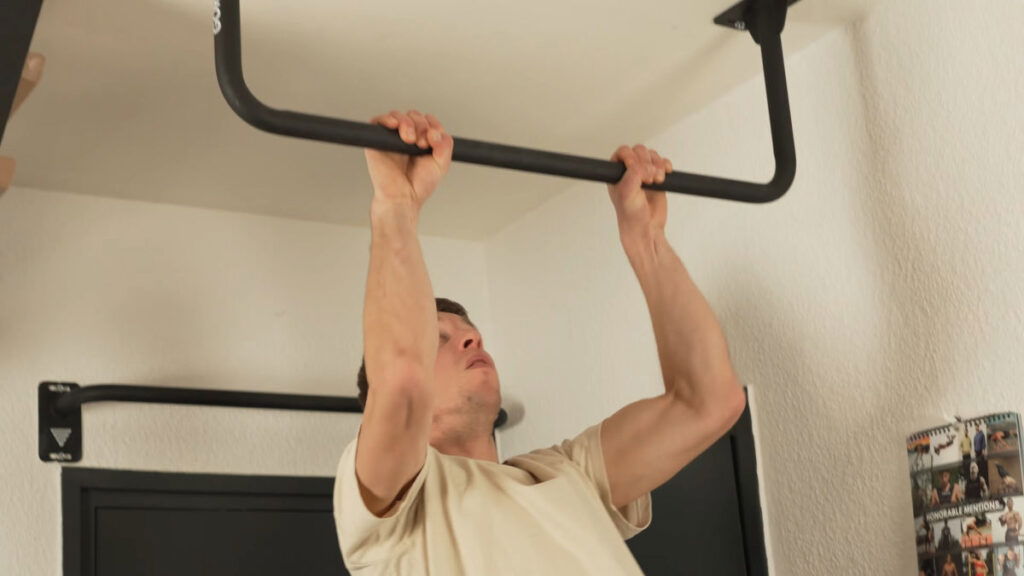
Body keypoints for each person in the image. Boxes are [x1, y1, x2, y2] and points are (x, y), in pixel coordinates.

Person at [332, 111, 746, 575]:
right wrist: (396, 205)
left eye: (467, 330)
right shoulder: (388, 511)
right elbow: (402, 380)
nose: (471, 336)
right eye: (438, 338)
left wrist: (646, 239)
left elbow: (708, 401)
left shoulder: (567, 473)